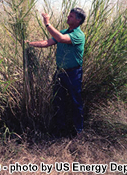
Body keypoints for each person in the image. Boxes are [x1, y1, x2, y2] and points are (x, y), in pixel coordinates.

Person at [27, 7, 86, 137]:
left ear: (78, 20)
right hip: (60, 72)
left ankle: (79, 131)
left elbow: (60, 38)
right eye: (69, 15)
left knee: (76, 101)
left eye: (71, 16)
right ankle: (61, 128)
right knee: (58, 100)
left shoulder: (78, 35)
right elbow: (47, 42)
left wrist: (47, 22)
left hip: (73, 74)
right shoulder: (64, 31)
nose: (68, 17)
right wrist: (30, 44)